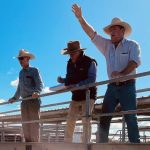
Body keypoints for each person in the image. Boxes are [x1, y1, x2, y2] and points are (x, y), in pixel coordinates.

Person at [72, 4, 141, 143]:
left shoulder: (132, 45)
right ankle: (101, 145)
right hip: (112, 87)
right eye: (110, 30)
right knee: (104, 116)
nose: (111, 32)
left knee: (130, 117)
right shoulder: (107, 45)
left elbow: (134, 62)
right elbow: (92, 34)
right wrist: (80, 18)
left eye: (114, 29)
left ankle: (136, 145)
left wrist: (121, 73)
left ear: (122, 30)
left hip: (128, 86)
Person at [57, 40, 97, 143]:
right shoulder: (69, 64)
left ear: (79, 51)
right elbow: (69, 79)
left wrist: (78, 85)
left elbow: (92, 79)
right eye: (70, 53)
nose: (71, 55)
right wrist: (62, 81)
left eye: (73, 53)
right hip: (75, 96)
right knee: (70, 119)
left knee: (86, 119)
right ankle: (67, 143)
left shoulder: (90, 62)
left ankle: (86, 143)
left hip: (88, 94)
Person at [8, 49, 43, 142]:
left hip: (33, 100)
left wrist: (37, 92)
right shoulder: (21, 73)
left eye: (21, 58)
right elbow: (19, 88)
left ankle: (35, 146)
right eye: (19, 59)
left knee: (34, 124)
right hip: (24, 102)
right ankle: (28, 146)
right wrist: (14, 98)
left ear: (27, 58)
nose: (20, 60)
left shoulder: (34, 70)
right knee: (25, 124)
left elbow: (40, 84)